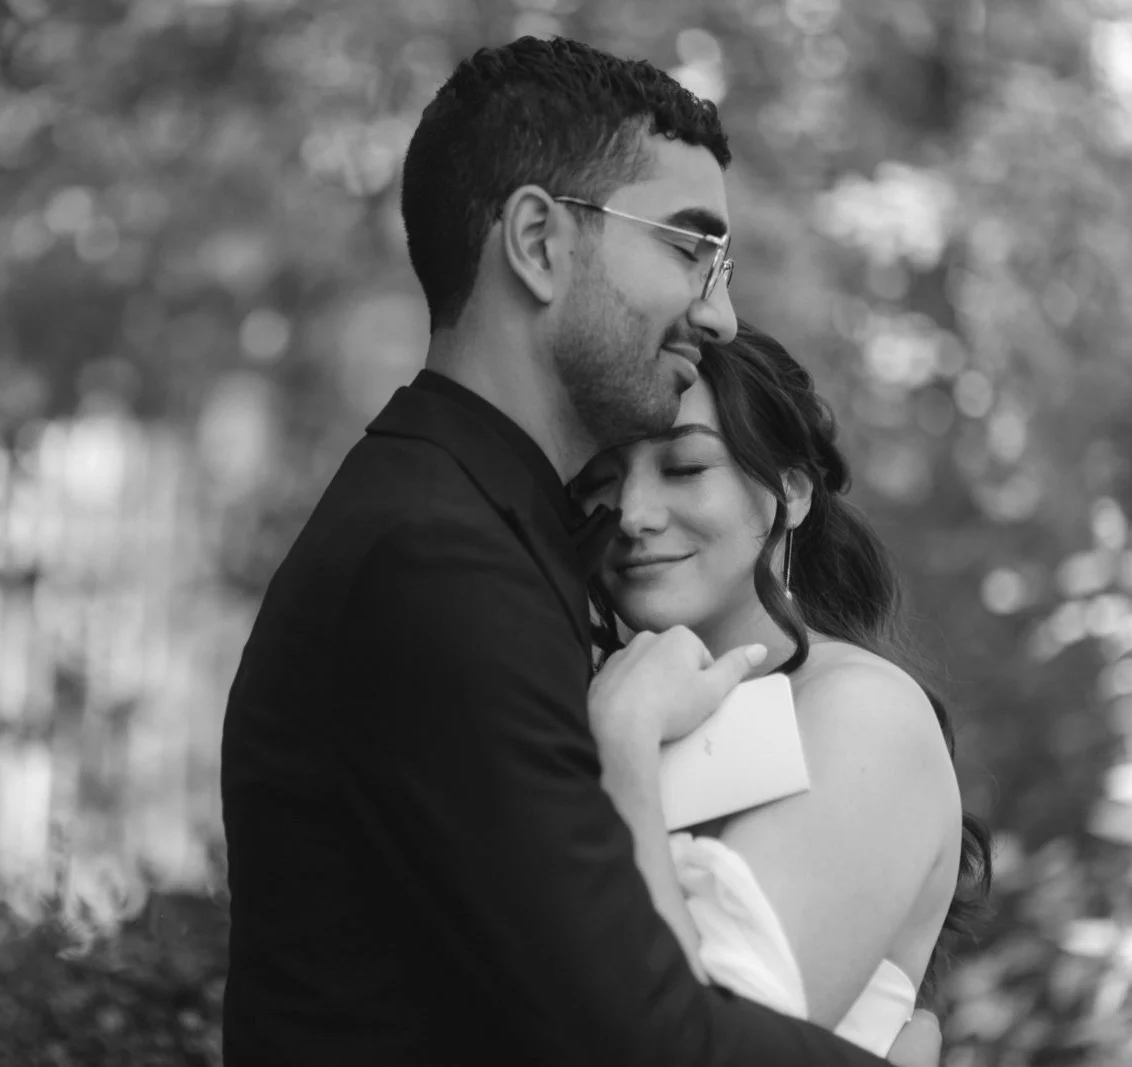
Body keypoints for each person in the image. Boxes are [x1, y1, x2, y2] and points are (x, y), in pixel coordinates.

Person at [221, 36, 942, 1065]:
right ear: (539, 241)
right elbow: (633, 1035)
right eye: (689, 248)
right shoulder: (441, 558)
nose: (719, 308)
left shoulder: (473, 530)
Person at [577, 324, 992, 1054]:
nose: (633, 514)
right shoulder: (602, 699)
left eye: (683, 467)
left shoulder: (864, 713)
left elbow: (699, 1044)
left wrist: (625, 745)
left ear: (792, 490)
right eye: (604, 479)